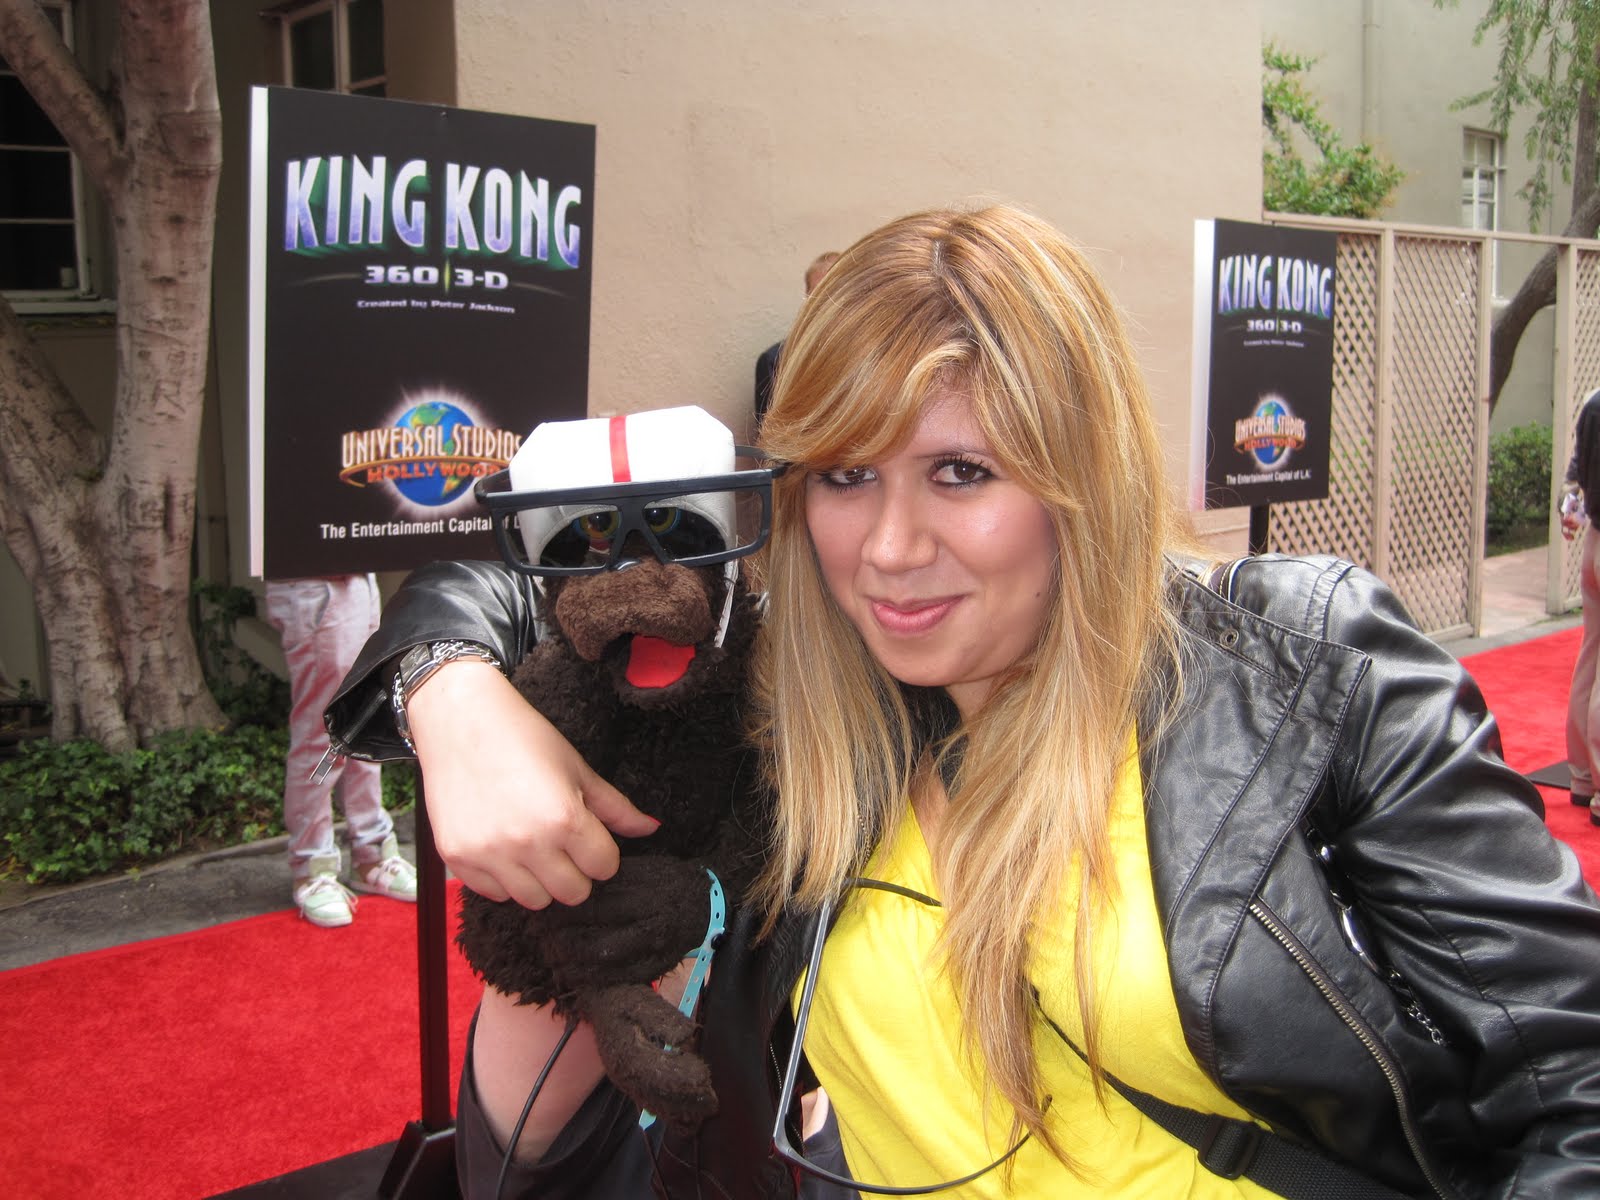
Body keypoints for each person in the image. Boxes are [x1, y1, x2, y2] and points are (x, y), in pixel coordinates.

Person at [327, 206, 1600, 1197]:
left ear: (1080, 472)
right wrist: (452, 698)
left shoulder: (1300, 668)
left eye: (959, 472)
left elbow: (1574, 1083)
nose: (887, 550)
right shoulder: (803, 712)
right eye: (844, 474)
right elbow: (510, 581)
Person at [265, 574, 416, 927]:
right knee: (322, 732)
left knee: (365, 716)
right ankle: (312, 866)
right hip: (315, 579)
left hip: (356, 574)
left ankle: (371, 853)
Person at [1563, 386, 1600, 826]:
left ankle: (1581, 778)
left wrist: (1570, 510)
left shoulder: (1593, 401)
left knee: (1591, 652)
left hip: (1594, 541)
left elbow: (1574, 477)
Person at [755, 251, 840, 424]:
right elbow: (768, 434)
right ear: (806, 300)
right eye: (817, 295)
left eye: (834, 293)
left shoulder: (875, 358)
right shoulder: (774, 362)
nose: (825, 304)